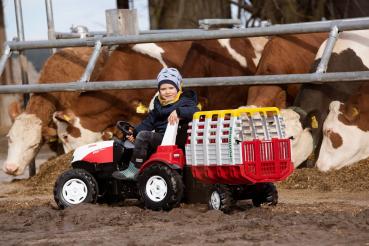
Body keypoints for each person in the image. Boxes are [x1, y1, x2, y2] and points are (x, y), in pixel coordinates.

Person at [112, 67, 199, 180]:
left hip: (175, 138)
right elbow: (148, 122)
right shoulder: (159, 105)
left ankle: (135, 168)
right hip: (162, 138)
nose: (167, 92)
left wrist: (179, 111)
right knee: (141, 135)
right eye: (163, 89)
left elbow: (195, 111)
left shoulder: (185, 101)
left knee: (144, 136)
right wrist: (134, 132)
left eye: (171, 88)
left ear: (178, 87)